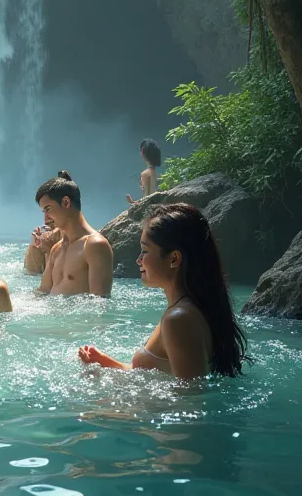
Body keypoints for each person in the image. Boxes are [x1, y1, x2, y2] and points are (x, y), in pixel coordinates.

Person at [79, 202, 249, 379]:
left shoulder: (179, 319)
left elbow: (192, 399)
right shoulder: (189, 308)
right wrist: (105, 363)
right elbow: (161, 374)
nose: (139, 260)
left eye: (145, 250)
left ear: (174, 259)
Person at [36, 171, 113, 297]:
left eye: (48, 209)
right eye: (43, 211)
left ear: (66, 202)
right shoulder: (56, 249)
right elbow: (42, 293)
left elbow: (100, 304)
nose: (45, 219)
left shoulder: (94, 245)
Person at [126, 138, 162, 206]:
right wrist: (136, 202)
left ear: (142, 152)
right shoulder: (160, 176)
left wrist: (135, 204)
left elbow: (149, 198)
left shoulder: (146, 174)